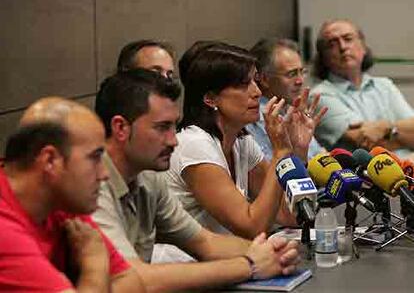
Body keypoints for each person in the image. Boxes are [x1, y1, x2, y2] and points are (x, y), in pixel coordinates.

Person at [92, 68, 301, 292]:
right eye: (162, 127)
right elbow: (131, 278)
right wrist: (249, 265)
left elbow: (205, 242)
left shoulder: (148, 176)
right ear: (121, 128)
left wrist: (270, 254)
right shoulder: (90, 186)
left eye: (174, 126)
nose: (173, 141)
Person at [162, 42, 319, 240]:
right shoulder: (194, 145)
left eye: (255, 81)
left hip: (227, 261)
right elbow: (252, 226)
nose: (257, 92)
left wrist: (297, 151)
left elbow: (292, 216)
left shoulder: (241, 141)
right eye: (243, 84)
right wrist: (280, 153)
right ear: (210, 98)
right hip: (184, 265)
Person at [0, 97, 144, 292]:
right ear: (50, 160)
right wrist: (95, 267)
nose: (104, 174)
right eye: (95, 157)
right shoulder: (5, 231)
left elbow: (132, 284)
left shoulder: (60, 201)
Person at [310, 19, 414, 156]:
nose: (342, 47)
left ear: (363, 46)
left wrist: (386, 128)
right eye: (332, 44)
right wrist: (403, 133)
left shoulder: (384, 85)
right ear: (323, 57)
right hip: (366, 175)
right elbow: (369, 144)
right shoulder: (319, 96)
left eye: (348, 39)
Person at [248, 38, 327, 161]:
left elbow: (322, 157)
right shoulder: (254, 117)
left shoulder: (290, 110)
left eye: (302, 72)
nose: (300, 81)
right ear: (264, 79)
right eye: (292, 74)